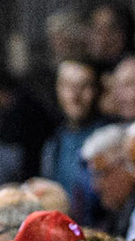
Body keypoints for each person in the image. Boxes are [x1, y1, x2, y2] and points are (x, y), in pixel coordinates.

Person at [41, 58, 108, 224]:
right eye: (68, 85)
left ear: (98, 90)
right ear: (58, 89)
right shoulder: (53, 144)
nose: (75, 95)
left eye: (84, 86)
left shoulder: (111, 138)